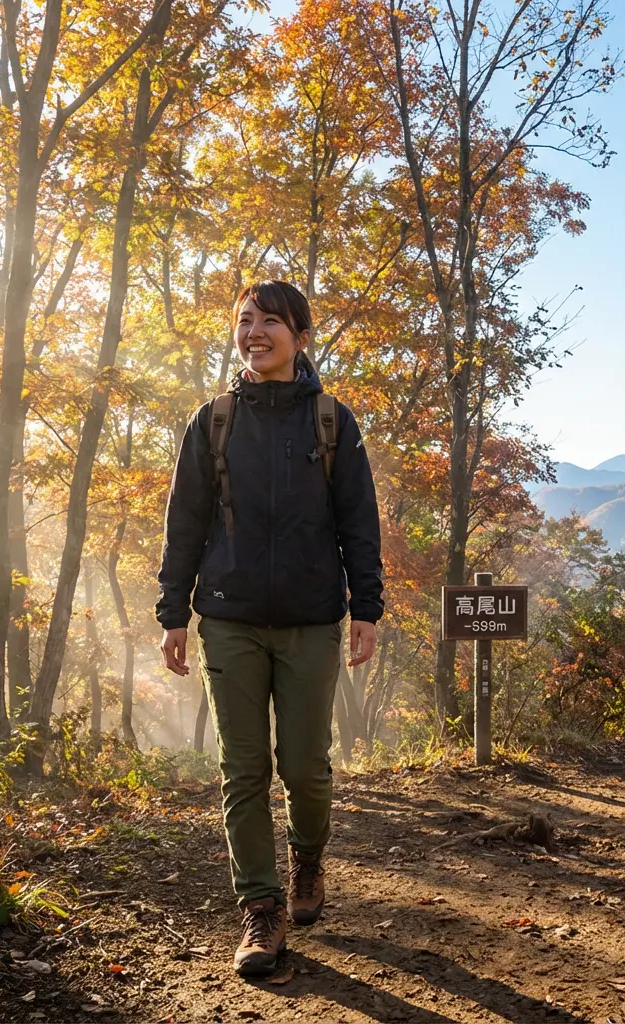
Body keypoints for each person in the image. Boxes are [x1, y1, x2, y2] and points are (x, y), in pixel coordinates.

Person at [156, 280, 383, 976]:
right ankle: (261, 908)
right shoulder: (215, 420)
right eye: (245, 321)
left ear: (300, 336)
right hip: (229, 619)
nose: (254, 333)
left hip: (313, 621)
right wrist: (174, 614)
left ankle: (308, 860)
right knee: (243, 769)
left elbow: (357, 521)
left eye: (270, 322)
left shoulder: (331, 421)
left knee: (307, 768)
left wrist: (365, 608)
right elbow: (185, 522)